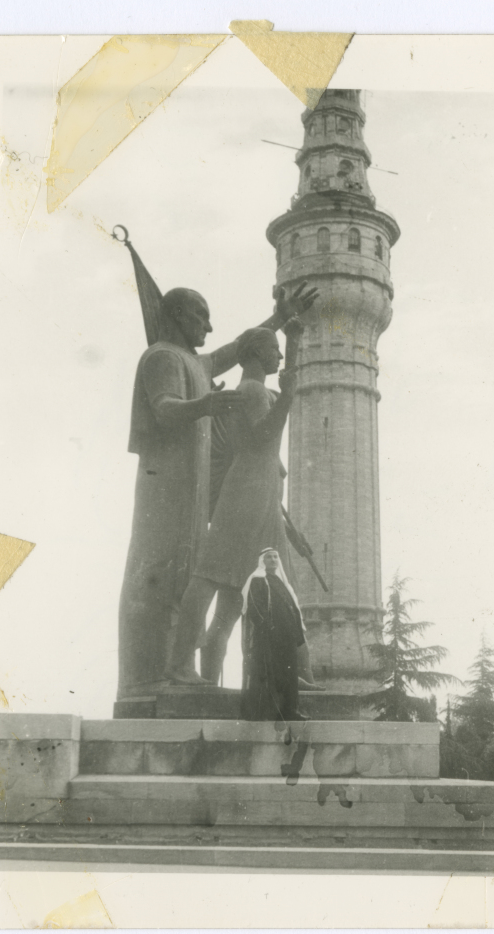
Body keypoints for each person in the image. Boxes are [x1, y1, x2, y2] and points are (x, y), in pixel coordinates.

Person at [117, 279, 318, 700]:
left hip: (195, 486)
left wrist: (279, 320)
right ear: (175, 315)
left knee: (193, 574)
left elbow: (235, 350)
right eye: (200, 316)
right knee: (164, 569)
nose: (208, 327)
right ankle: (157, 672)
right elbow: (166, 407)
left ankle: (180, 667)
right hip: (166, 484)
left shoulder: (194, 361)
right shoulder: (163, 357)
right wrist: (204, 405)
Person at [166, 323, 320, 686]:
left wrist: (294, 343)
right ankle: (182, 666)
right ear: (252, 353)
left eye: (281, 351)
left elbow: (273, 461)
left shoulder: (257, 390)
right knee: (215, 579)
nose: (278, 356)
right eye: (273, 349)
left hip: (260, 496)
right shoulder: (251, 391)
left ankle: (295, 673)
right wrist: (286, 396)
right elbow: (265, 437)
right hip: (245, 497)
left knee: (236, 598)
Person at [240, 549, 309, 722]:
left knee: (290, 675)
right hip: (269, 638)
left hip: (287, 638)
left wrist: (296, 634)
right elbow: (254, 607)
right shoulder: (258, 580)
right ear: (262, 561)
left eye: (275, 557)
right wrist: (268, 628)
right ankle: (263, 712)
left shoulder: (281, 582)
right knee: (267, 673)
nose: (273, 560)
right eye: (269, 557)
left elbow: (292, 609)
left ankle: (290, 711)